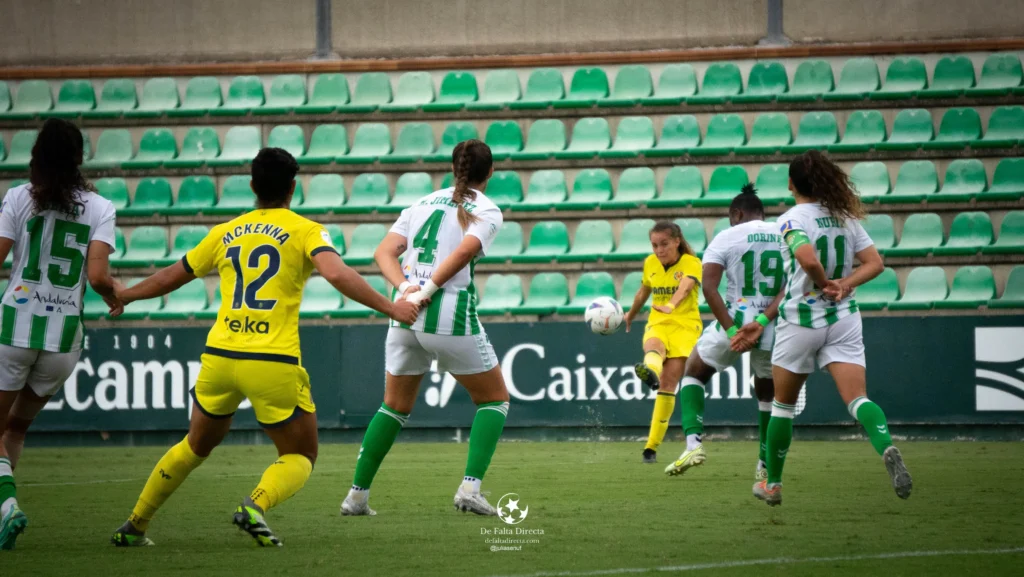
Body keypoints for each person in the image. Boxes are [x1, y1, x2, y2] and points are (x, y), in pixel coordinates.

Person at [110, 148, 420, 547]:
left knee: (194, 445)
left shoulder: (225, 231)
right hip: (271, 360)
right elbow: (336, 272)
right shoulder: (304, 229)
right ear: (293, 188)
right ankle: (254, 505)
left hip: (219, 356)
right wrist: (390, 305)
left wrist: (128, 295)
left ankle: (135, 524)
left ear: (253, 186)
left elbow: (175, 274)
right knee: (301, 455)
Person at [340, 139, 509, 517]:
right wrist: (428, 290)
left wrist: (406, 290)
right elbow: (464, 252)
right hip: (446, 310)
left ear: (453, 168)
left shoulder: (420, 204)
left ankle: (356, 497)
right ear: (491, 172)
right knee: (494, 400)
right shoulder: (487, 208)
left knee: (393, 406)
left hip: (403, 312)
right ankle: (470, 488)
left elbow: (382, 252)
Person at [755, 150, 912, 506]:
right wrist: (843, 284)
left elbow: (807, 258)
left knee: (782, 405)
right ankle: (886, 446)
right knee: (858, 399)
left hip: (800, 321)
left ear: (792, 184)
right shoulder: (844, 218)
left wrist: (824, 281)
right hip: (843, 318)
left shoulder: (792, 219)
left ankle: (773, 484)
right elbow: (875, 264)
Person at [0, 118, 121, 550]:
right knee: (14, 429)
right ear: (78, 158)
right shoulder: (100, 207)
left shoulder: (17, 198)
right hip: (65, 337)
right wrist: (116, 295)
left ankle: (6, 504)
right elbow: (98, 276)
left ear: (36, 157)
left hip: (13, 327)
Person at [665, 184, 785, 480]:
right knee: (767, 393)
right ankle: (765, 460)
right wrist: (763, 320)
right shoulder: (783, 234)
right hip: (771, 325)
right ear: (762, 213)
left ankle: (693, 444)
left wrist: (734, 331)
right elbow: (792, 286)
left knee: (693, 373)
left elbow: (708, 287)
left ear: (736, 213)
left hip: (733, 319)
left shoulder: (726, 236)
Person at [623, 221, 702, 464]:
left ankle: (651, 446)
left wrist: (670, 305)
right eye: (655, 245)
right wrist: (630, 315)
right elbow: (642, 292)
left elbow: (686, 288)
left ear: (677, 241)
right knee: (653, 346)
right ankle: (649, 372)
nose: (659, 250)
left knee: (668, 384)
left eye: (664, 244)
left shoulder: (691, 263)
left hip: (684, 326)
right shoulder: (650, 263)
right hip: (658, 321)